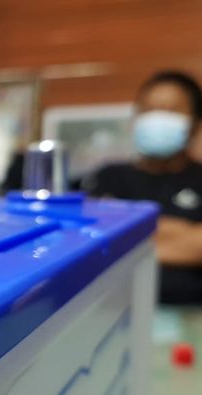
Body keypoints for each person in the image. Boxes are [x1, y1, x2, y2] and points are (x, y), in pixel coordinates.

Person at [86, 70, 202, 304]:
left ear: (194, 123)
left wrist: (127, 233)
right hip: (115, 308)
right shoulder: (109, 176)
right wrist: (183, 231)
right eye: (149, 109)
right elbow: (91, 241)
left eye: (171, 110)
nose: (157, 118)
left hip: (187, 308)